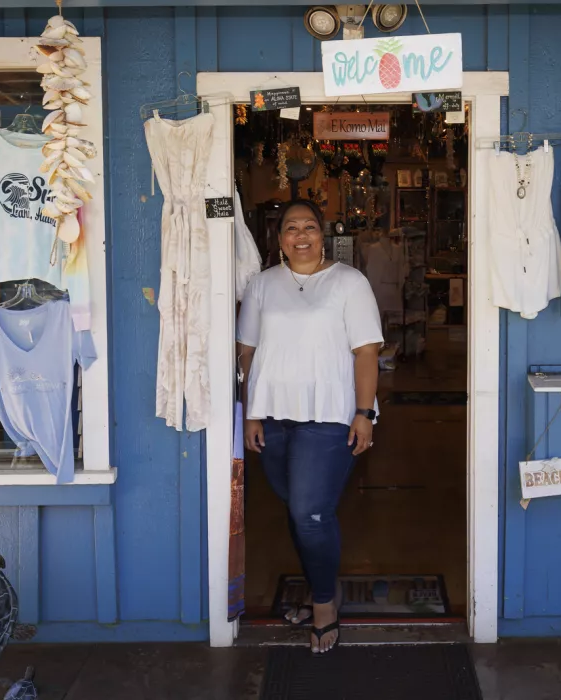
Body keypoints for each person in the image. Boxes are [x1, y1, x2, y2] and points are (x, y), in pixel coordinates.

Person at [236, 200, 383, 654]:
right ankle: (325, 585)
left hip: (329, 414)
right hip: (275, 417)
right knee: (300, 511)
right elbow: (246, 351)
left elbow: (366, 352)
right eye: (291, 228)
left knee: (308, 515)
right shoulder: (262, 285)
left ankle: (324, 604)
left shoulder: (348, 282)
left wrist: (365, 412)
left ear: (323, 234)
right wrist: (251, 411)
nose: (301, 235)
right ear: (278, 239)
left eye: (310, 227)